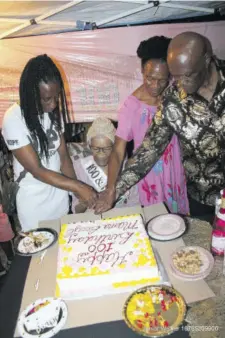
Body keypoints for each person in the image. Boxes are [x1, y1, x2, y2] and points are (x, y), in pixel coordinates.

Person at [95, 32, 225, 223]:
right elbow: (149, 149)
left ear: (206, 60)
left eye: (187, 76)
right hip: (199, 198)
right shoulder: (173, 98)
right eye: (176, 77)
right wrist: (114, 189)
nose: (180, 84)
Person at [2, 55, 97, 231]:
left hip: (59, 197)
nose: (53, 104)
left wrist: (77, 195)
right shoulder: (13, 118)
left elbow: (64, 158)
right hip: (35, 205)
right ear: (31, 94)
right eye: (47, 99)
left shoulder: (52, 113)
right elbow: (37, 171)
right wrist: (78, 186)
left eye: (57, 97)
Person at [96, 36, 189, 215]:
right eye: (149, 78)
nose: (155, 85)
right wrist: (110, 189)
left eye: (162, 79)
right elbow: (117, 151)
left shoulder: (174, 94)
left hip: (175, 172)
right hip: (149, 177)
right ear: (141, 71)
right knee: (155, 222)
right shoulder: (131, 107)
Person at [71, 117, 139, 213]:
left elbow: (136, 202)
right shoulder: (80, 167)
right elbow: (75, 210)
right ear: (89, 146)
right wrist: (84, 202)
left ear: (115, 148)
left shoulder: (126, 167)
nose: (101, 153)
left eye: (107, 148)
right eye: (96, 148)